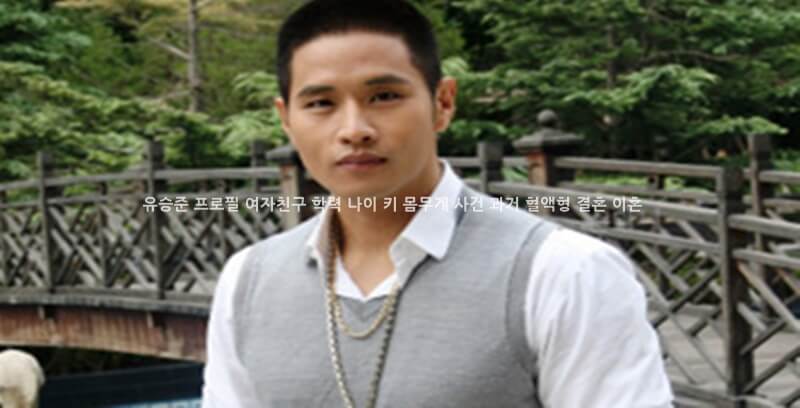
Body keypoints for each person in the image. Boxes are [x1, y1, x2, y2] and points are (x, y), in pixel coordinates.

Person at [202, 0, 674, 407]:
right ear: (286, 119)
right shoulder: (248, 281)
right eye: (321, 104)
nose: (354, 129)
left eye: (384, 96)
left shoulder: (563, 273)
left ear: (443, 103)